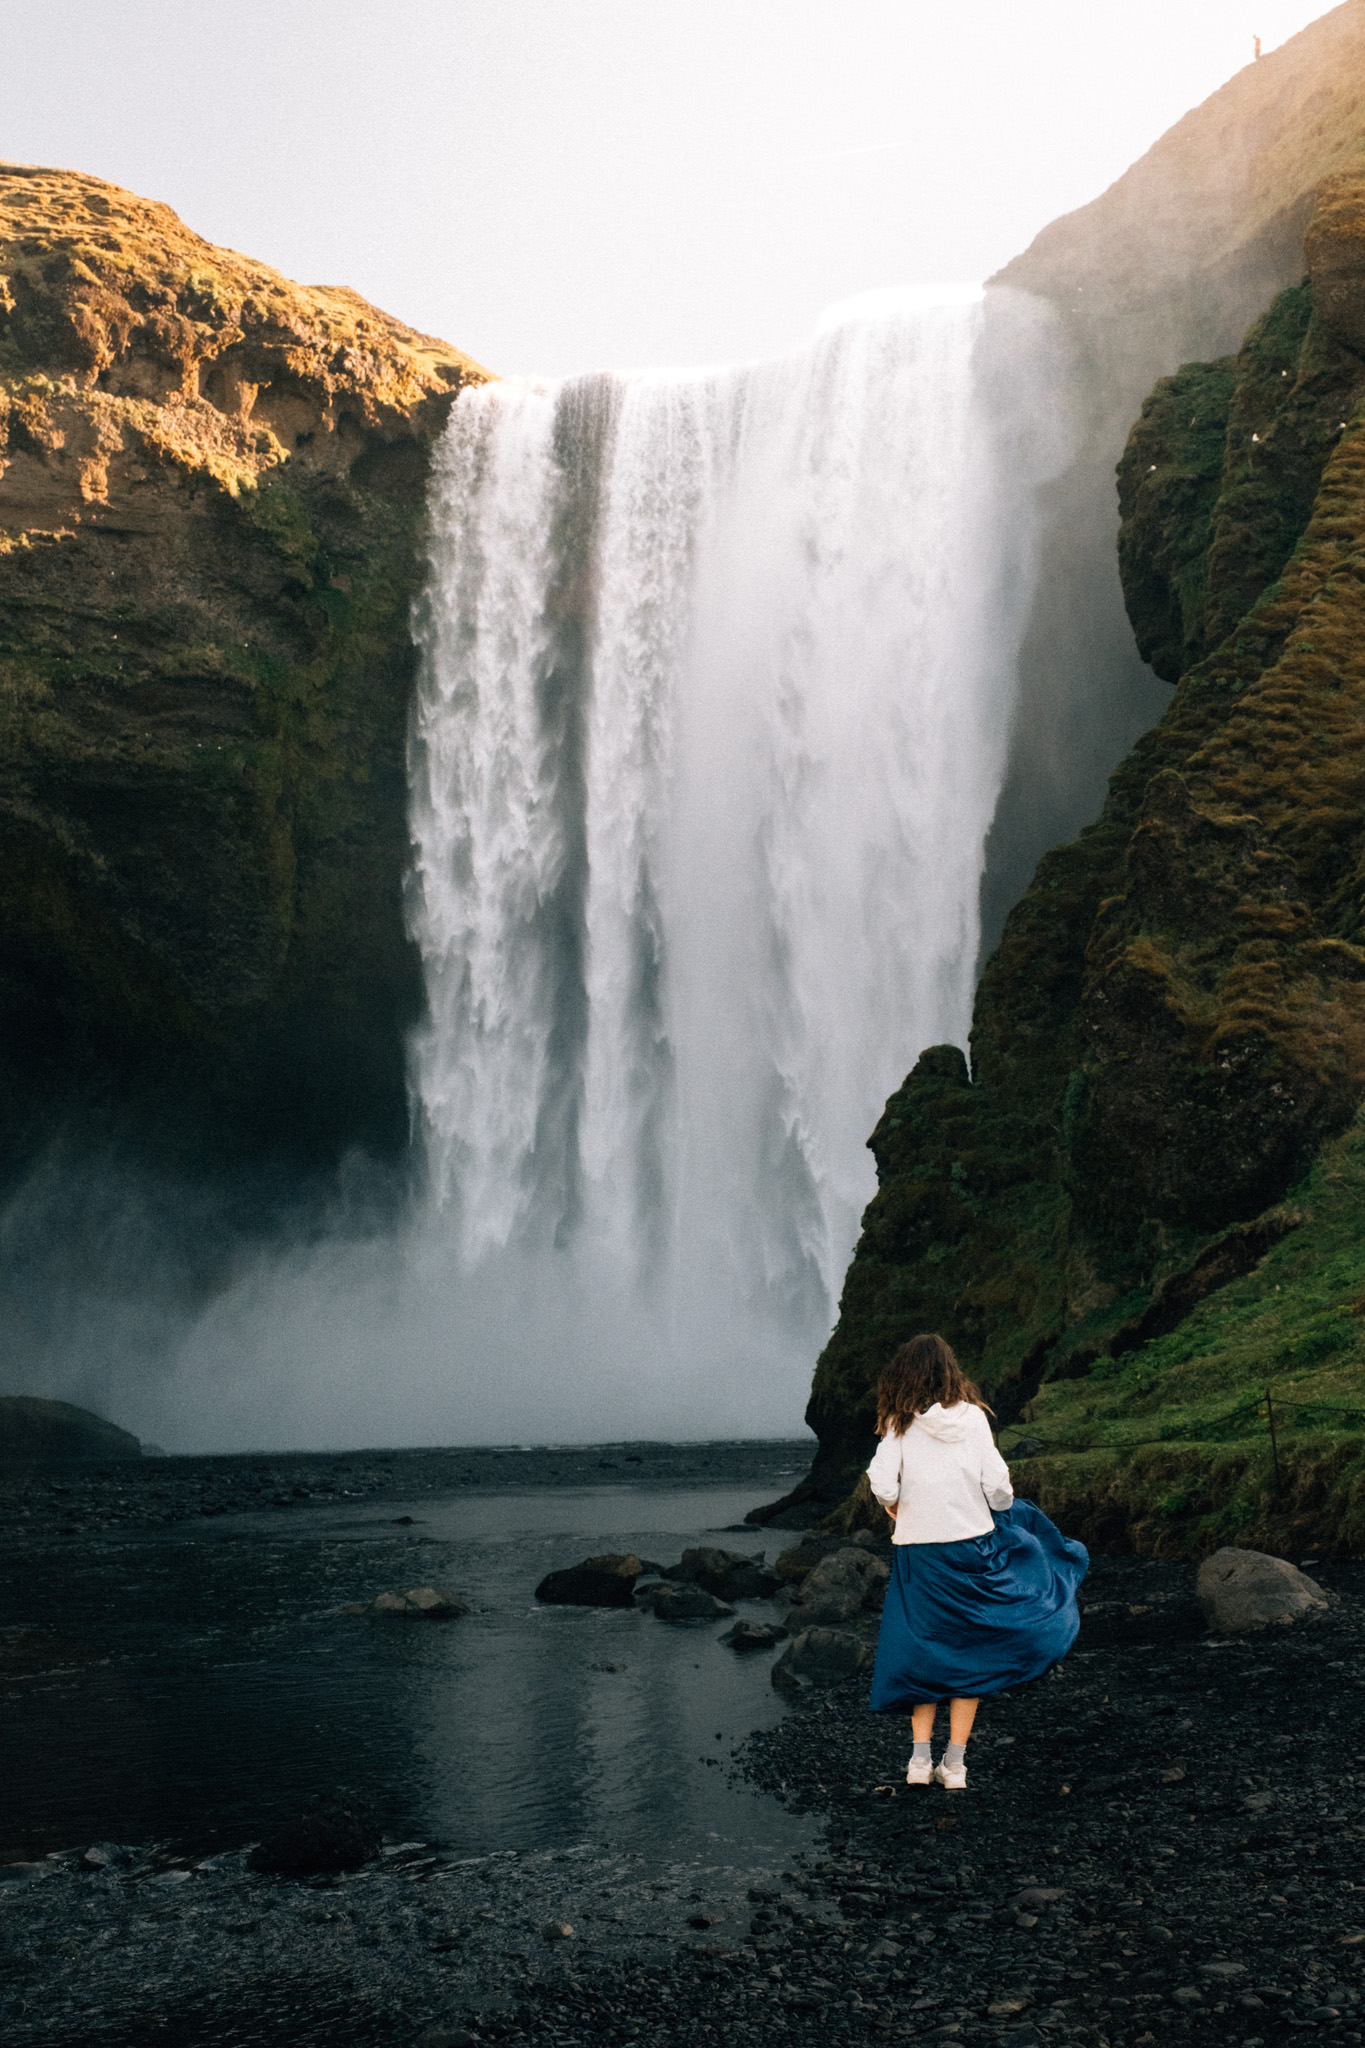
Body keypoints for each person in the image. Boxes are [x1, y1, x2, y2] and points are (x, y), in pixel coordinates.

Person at [866, 1332, 1087, 1790]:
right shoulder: (974, 1419)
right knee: (971, 1651)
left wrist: (896, 1504)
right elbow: (999, 1485)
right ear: (950, 1372)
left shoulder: (897, 1422)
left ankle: (919, 1763)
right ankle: (957, 1766)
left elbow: (884, 1483)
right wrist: (996, 1508)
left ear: (904, 1376)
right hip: (971, 1548)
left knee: (923, 1650)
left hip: (918, 1555)